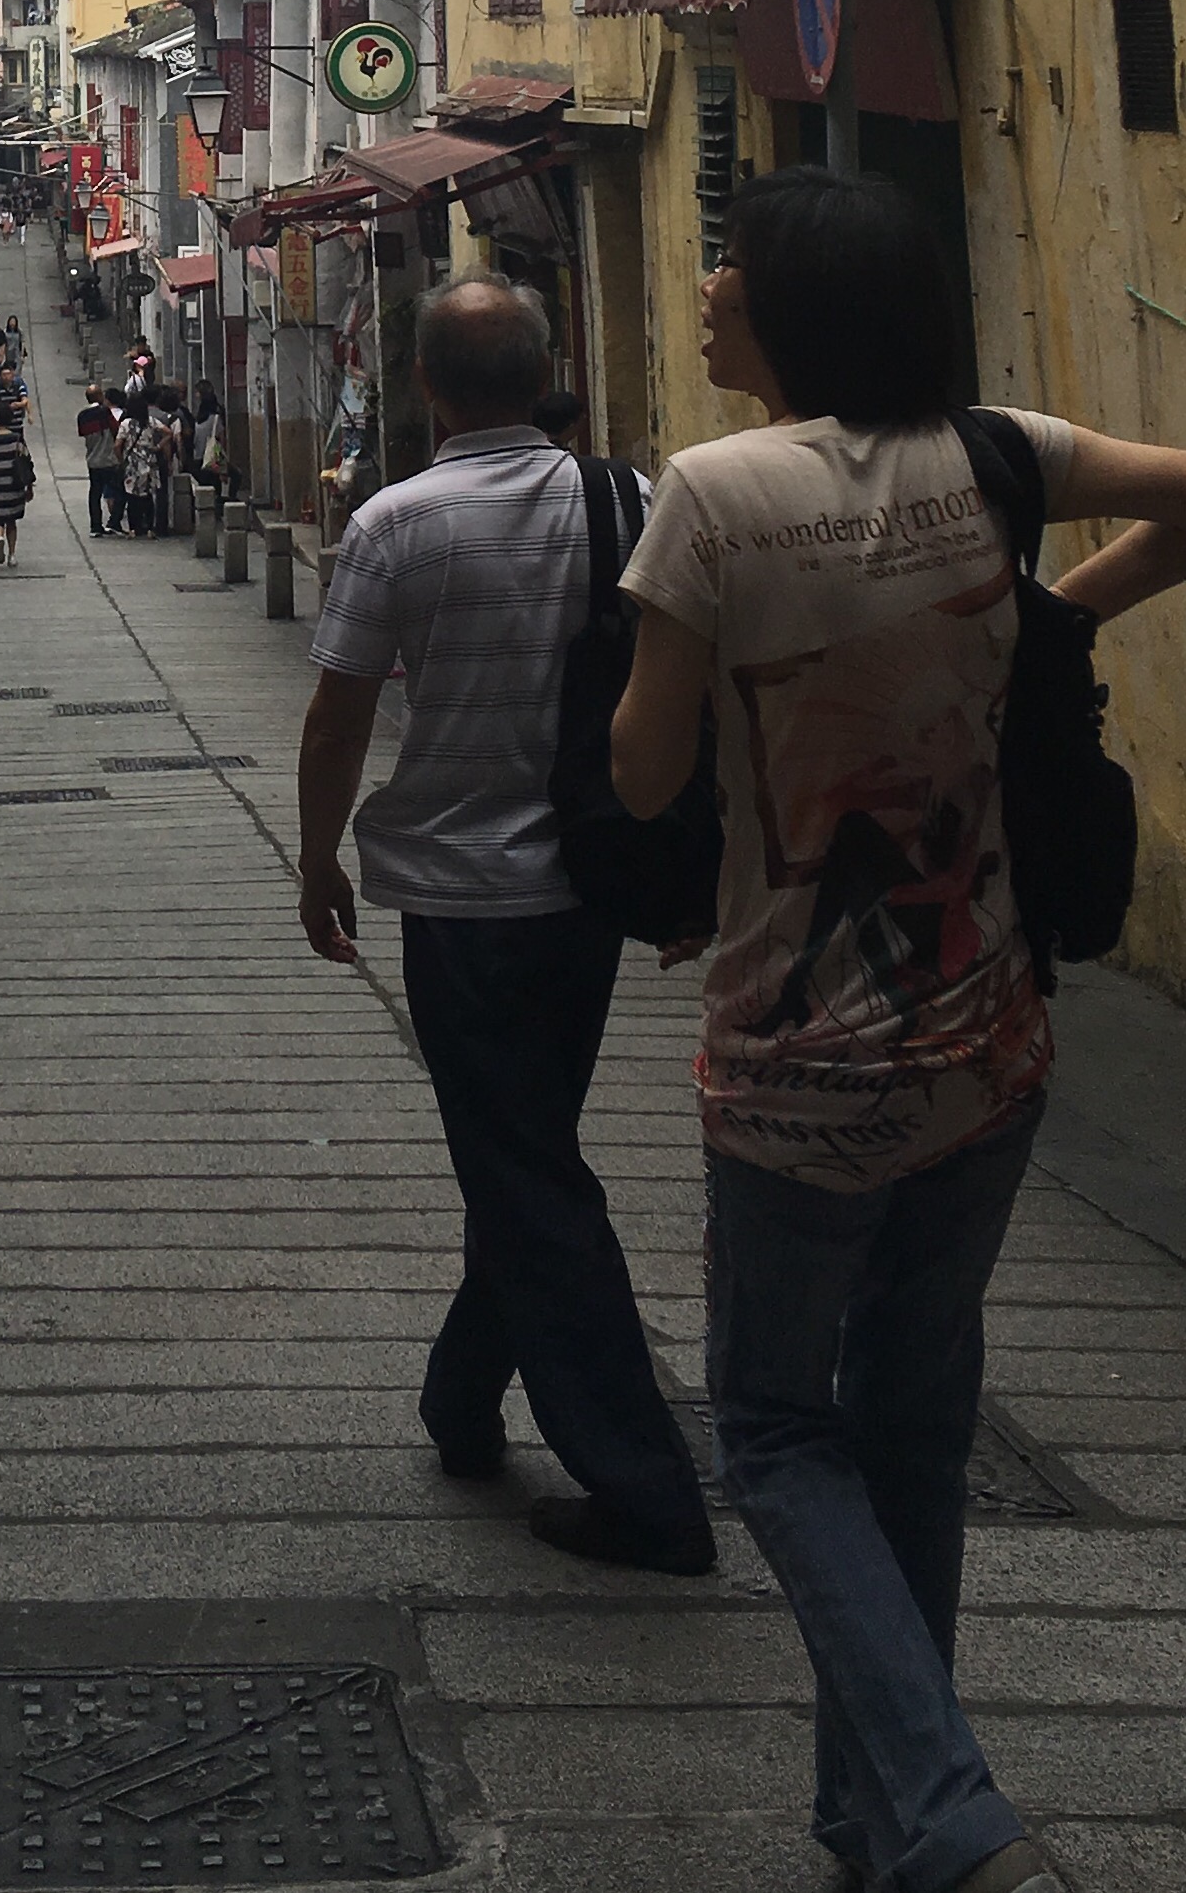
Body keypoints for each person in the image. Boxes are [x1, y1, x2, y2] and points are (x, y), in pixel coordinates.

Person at [611, 170, 1186, 1893]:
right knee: (910, 1429)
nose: (708, 284)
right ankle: (874, 1823)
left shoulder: (710, 493)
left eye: (733, 263)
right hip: (985, 1039)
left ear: (797, 303)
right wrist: (1055, 611)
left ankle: (948, 1814)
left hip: (795, 1057)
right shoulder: (992, 456)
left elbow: (646, 769)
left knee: (777, 1429)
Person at [296, 274, 712, 1574]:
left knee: (525, 1168)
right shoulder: (628, 498)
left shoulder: (396, 522)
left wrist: (317, 857)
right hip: (585, 885)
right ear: (544, 375)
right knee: (522, 1147)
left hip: (458, 892)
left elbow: (340, 711)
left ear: (426, 385)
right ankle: (462, 1398)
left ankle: (643, 1484)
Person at [0, 406, 36, 568]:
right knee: (11, 521)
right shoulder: (16, 439)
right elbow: (27, 462)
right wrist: (29, 487)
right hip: (13, 486)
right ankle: (12, 555)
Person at [76, 382, 125, 535]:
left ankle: (95, 526)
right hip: (109, 459)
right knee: (120, 491)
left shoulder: (82, 416)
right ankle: (114, 522)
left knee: (95, 493)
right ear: (99, 396)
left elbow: (83, 433)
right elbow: (116, 429)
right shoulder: (104, 412)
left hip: (93, 460)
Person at [120, 402, 166, 538]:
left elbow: (117, 444)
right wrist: (158, 447)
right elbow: (168, 433)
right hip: (149, 462)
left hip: (132, 464)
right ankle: (150, 529)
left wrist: (121, 459)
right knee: (148, 495)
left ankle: (133, 529)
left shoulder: (126, 424)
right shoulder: (151, 422)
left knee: (132, 496)